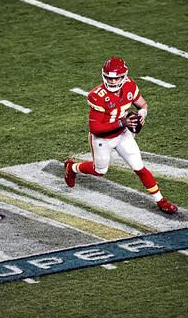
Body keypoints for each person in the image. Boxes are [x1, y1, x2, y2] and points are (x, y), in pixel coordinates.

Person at [64, 57, 178, 214]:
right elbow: (95, 128)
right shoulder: (97, 95)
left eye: (116, 77)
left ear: (124, 76)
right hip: (102, 139)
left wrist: (142, 114)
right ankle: (72, 167)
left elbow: (142, 104)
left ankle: (161, 201)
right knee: (99, 171)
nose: (112, 81)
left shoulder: (130, 85)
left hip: (123, 134)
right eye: (109, 78)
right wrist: (122, 123)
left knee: (139, 167)